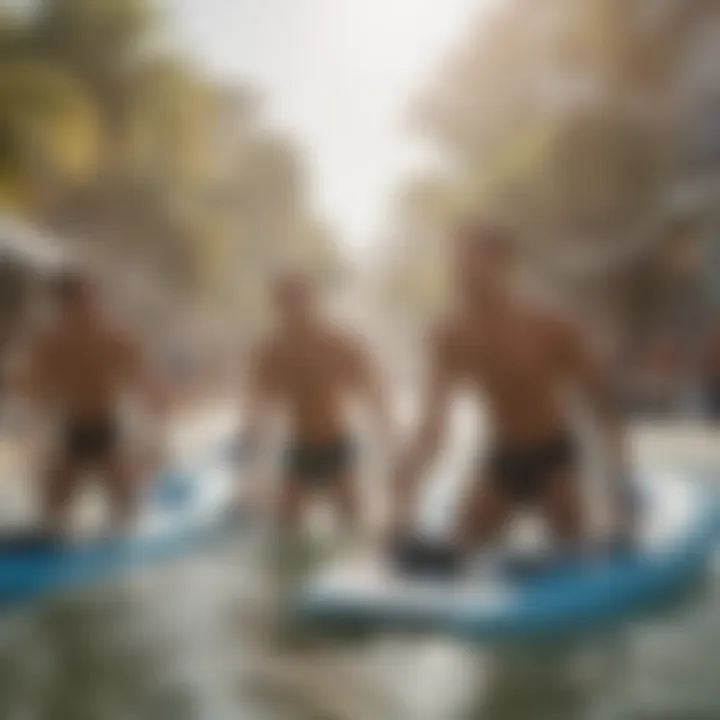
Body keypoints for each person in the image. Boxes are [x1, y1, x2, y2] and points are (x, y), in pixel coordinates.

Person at [392, 221, 634, 570]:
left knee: (573, 548)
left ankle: (584, 519)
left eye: (469, 262)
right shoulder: (449, 336)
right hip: (502, 458)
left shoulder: (549, 325)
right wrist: (404, 490)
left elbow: (602, 403)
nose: (460, 272)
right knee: (459, 549)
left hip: (554, 455)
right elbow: (433, 427)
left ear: (502, 263)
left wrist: (621, 484)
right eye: (455, 264)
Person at [243, 271, 390, 531]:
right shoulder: (272, 351)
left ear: (312, 302)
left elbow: (372, 389)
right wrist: (250, 452)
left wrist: (385, 434)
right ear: (277, 306)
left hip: (335, 446)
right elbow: (258, 404)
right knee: (284, 528)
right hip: (300, 449)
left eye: (298, 300)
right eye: (285, 302)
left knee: (352, 525)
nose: (292, 309)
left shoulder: (337, 344)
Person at [27, 270, 167, 534]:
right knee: (51, 518)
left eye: (88, 300)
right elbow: (39, 396)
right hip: (71, 432)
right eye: (75, 302)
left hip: (108, 431)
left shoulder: (116, 340)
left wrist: (157, 438)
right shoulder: (49, 345)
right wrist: (40, 445)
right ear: (62, 305)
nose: (84, 308)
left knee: (127, 515)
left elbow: (149, 388)